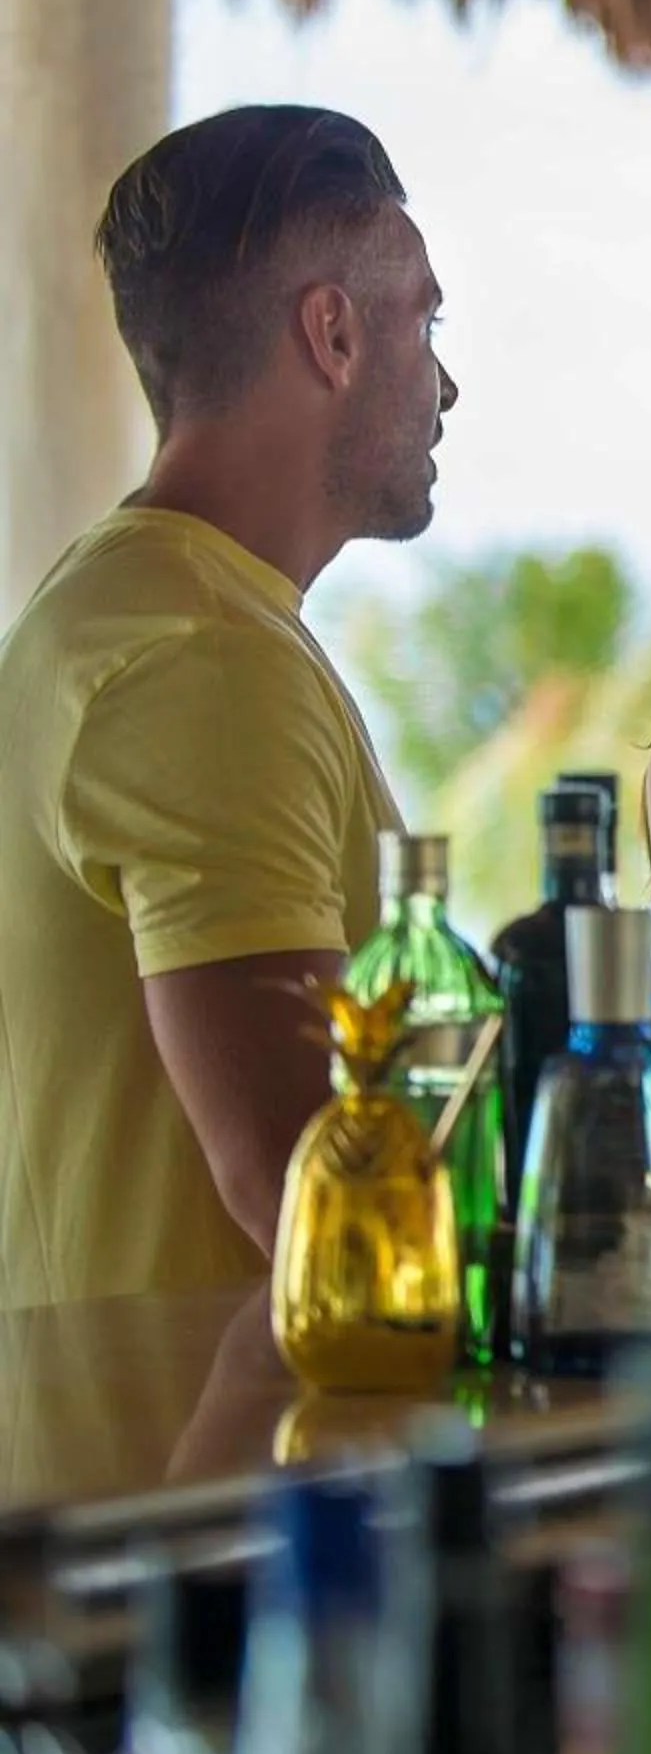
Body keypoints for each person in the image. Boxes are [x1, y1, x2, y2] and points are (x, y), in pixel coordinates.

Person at [0, 106, 454, 1308]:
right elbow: (310, 1189)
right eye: (425, 320)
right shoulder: (199, 658)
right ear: (334, 333)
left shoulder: (127, 606)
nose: (448, 383)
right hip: (202, 1481)